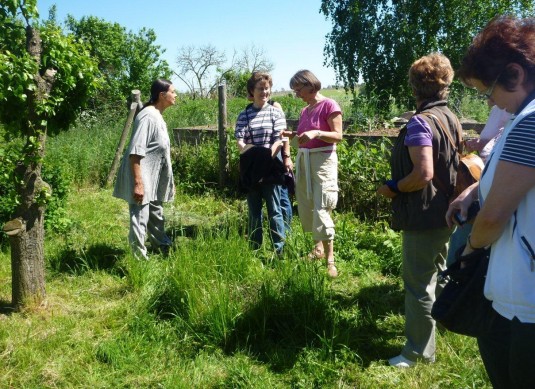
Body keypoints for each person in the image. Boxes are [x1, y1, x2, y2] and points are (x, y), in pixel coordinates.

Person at [446, 15, 535, 388]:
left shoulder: (530, 123)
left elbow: (496, 216)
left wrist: (469, 250)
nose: (490, 101)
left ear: (514, 75)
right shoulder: (524, 119)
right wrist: (474, 191)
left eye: (489, 91)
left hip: (524, 301)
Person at [377, 53, 461, 367]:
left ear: (415, 87)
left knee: (418, 285)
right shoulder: (449, 117)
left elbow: (422, 174)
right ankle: (437, 334)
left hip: (424, 213)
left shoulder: (420, 122)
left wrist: (393, 187)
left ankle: (417, 353)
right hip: (444, 210)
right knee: (436, 276)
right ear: (445, 85)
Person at [113, 79, 177, 259]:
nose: (176, 95)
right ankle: (139, 259)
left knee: (156, 213)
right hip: (141, 175)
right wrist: (138, 183)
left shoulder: (157, 114)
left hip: (153, 176)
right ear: (162, 95)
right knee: (140, 217)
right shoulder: (148, 116)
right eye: (173, 92)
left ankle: (162, 246)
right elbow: (136, 151)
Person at [289, 70, 343, 278]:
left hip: (323, 162)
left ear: (310, 85)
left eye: (298, 89)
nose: (296, 94)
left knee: (322, 206)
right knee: (308, 204)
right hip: (305, 160)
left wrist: (317, 133)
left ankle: (331, 259)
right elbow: (305, 138)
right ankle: (318, 249)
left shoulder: (330, 105)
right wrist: (293, 136)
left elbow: (338, 136)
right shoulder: (305, 111)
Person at [236, 72, 287, 254]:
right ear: (252, 90)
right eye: (260, 88)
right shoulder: (244, 115)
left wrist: (265, 159)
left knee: (275, 210)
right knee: (254, 212)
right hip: (251, 169)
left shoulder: (275, 113)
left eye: (267, 88)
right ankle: (255, 249)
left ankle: (279, 250)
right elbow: (240, 141)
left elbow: (278, 140)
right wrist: (253, 156)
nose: (264, 92)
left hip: (270, 168)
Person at [245, 94, 294, 231]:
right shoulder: (249, 110)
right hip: (257, 160)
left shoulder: (275, 106)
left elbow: (283, 136)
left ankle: (286, 231)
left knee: (282, 197)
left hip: (276, 157)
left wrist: (286, 156)